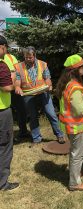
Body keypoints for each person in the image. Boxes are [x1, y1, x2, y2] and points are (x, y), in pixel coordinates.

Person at [56, 54, 83, 191]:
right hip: (77, 127)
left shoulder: (66, 84)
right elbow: (79, 111)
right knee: (78, 154)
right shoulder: (75, 88)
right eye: (82, 66)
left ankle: (75, 173)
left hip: (70, 126)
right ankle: (74, 183)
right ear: (75, 70)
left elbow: (71, 106)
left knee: (74, 152)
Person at [14, 46, 65, 144]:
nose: (28, 59)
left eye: (30, 57)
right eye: (26, 57)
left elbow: (47, 79)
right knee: (33, 117)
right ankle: (36, 138)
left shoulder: (43, 64)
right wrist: (17, 87)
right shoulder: (19, 66)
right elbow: (17, 81)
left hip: (43, 93)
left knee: (51, 114)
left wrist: (49, 85)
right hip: (28, 95)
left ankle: (59, 135)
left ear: (35, 55)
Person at [0, 35, 19, 191]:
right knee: (5, 145)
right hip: (2, 111)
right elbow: (7, 88)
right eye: (5, 48)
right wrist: (13, 80)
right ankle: (3, 183)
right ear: (2, 47)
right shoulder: (2, 65)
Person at [3, 53, 29, 140]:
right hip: (3, 89)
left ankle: (23, 132)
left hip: (14, 88)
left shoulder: (11, 57)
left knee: (21, 110)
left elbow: (17, 70)